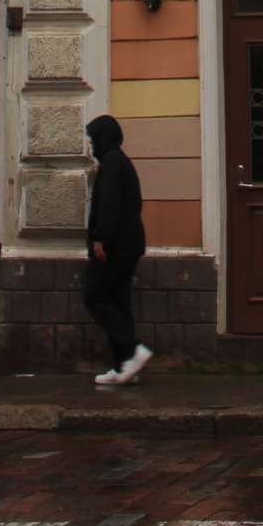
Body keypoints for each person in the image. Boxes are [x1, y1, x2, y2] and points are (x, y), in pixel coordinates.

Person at [83, 113, 151, 388]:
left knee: (95, 296)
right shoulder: (119, 161)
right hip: (127, 245)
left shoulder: (111, 164)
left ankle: (133, 351)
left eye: (92, 138)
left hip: (115, 248)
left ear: (103, 137)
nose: (91, 144)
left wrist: (100, 239)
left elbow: (109, 207)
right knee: (119, 302)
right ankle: (124, 366)